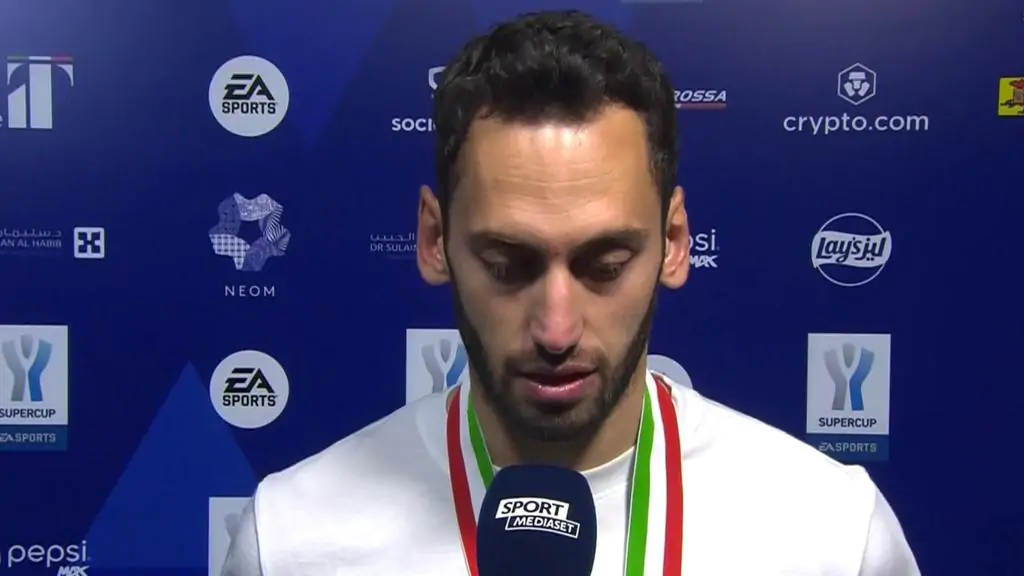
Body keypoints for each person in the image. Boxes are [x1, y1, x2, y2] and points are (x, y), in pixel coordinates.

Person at [222, 10, 920, 575]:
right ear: (434, 239)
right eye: (507, 265)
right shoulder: (291, 540)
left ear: (675, 241)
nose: (556, 330)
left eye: (605, 265)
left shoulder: (832, 535)